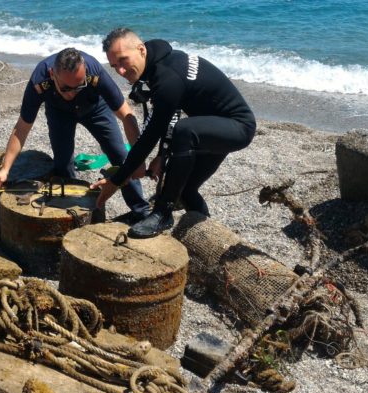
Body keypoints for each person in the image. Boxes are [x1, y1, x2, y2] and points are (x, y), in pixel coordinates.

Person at [92, 28, 256, 238]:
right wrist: (162, 155)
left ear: (141, 49)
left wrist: (117, 180)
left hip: (237, 127)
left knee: (185, 131)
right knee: (186, 190)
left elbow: (151, 134)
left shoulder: (167, 77)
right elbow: (171, 114)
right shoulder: (160, 63)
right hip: (211, 130)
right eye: (115, 66)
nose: (121, 72)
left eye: (123, 60)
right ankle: (207, 237)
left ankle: (163, 212)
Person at [0, 47, 150, 221]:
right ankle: (72, 213)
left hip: (95, 109)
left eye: (79, 86)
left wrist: (138, 157)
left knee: (120, 154)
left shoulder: (94, 71)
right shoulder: (39, 80)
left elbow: (126, 114)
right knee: (63, 162)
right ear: (52, 74)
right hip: (59, 113)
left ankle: (140, 211)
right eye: (66, 88)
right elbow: (22, 127)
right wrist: (5, 169)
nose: (72, 93)